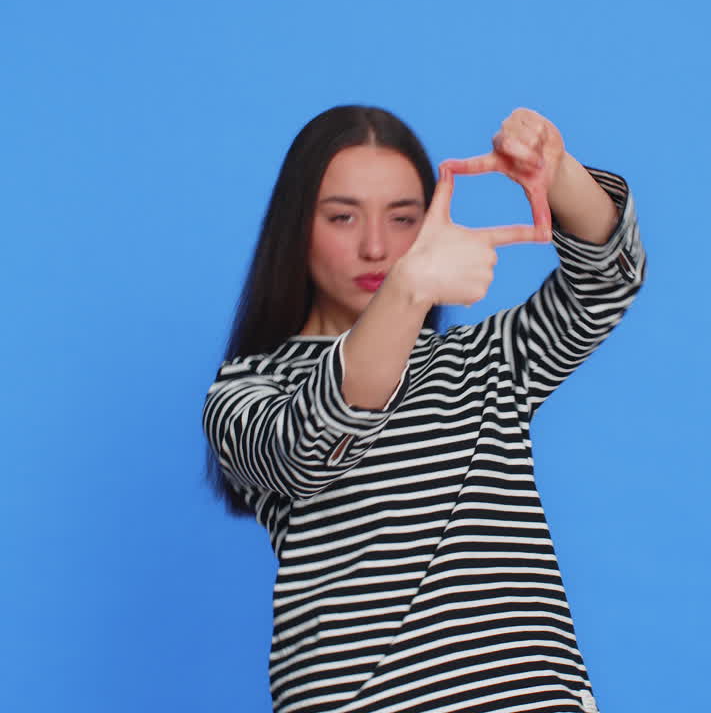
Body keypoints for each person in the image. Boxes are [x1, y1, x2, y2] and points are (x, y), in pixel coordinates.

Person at [203, 104, 646, 713]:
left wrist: (558, 171)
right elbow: (308, 448)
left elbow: (606, 282)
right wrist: (410, 289)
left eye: (403, 218)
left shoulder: (488, 360)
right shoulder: (248, 389)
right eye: (342, 217)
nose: (376, 246)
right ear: (294, 227)